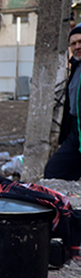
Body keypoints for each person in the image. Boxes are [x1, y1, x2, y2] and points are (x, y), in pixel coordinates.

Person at [44, 25, 81, 180]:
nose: (77, 46)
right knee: (54, 171)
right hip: (75, 131)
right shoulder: (76, 67)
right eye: (73, 44)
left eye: (80, 42)